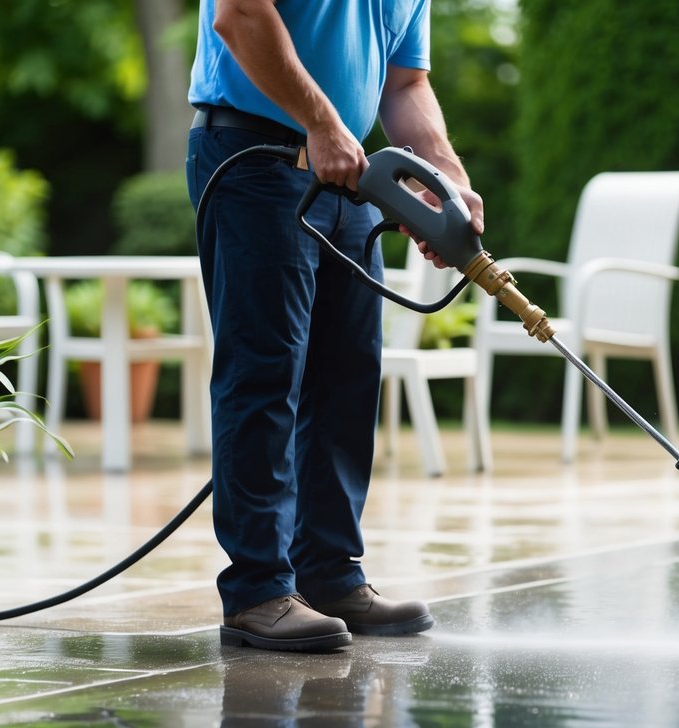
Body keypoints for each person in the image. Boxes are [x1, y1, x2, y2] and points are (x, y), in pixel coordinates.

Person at [186, 0, 484, 652]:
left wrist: (445, 178)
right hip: (253, 154)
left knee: (348, 378)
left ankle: (328, 573)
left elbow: (405, 83)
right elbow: (239, 16)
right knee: (265, 370)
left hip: (346, 168)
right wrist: (319, 122)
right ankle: (258, 592)